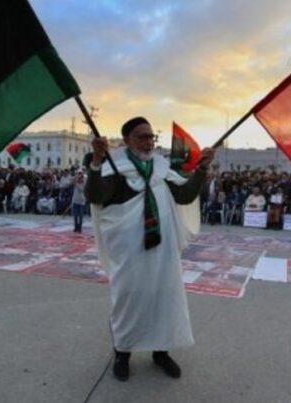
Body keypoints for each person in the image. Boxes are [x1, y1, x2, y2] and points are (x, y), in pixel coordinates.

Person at [85, 116, 214, 382]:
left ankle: (160, 352)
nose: (148, 142)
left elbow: (185, 194)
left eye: (151, 137)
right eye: (142, 137)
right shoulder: (115, 167)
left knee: (163, 299)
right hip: (129, 253)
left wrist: (201, 170)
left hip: (162, 250)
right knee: (128, 301)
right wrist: (96, 162)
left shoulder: (161, 168)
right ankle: (123, 353)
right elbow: (96, 196)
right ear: (127, 140)